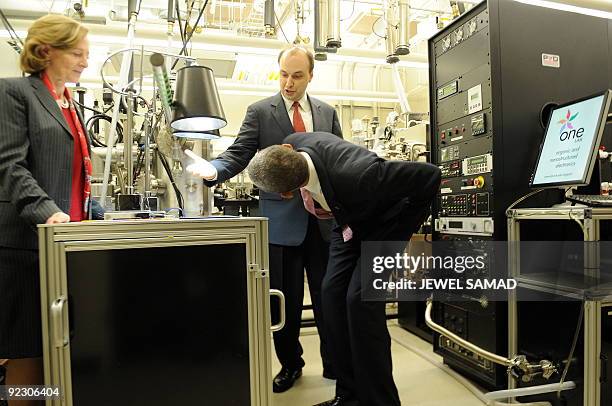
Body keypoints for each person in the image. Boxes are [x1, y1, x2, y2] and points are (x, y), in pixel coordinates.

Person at [186, 45, 342, 392]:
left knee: (328, 296)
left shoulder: (327, 113)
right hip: (281, 222)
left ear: (310, 76)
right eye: (284, 74)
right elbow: (239, 152)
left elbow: (338, 160)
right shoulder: (260, 112)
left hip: (323, 222)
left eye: (297, 76)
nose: (288, 83)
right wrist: (213, 170)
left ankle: (335, 364)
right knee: (282, 300)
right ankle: (291, 365)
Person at [246, 133, 441, 406]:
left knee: (360, 302)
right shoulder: (295, 140)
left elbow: (430, 175)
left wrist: (398, 229)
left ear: (285, 194)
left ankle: (381, 401)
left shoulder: (361, 175)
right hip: (349, 222)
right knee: (332, 296)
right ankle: (349, 396)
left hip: (383, 228)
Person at [0, 15, 102, 406]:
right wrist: (47, 213)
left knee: (57, 349)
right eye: (77, 53)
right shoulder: (15, 94)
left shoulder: (69, 103)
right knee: (27, 352)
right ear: (45, 52)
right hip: (25, 244)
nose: (84, 62)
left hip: (63, 244)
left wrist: (91, 213)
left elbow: (74, 173)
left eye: (87, 54)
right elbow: (11, 165)